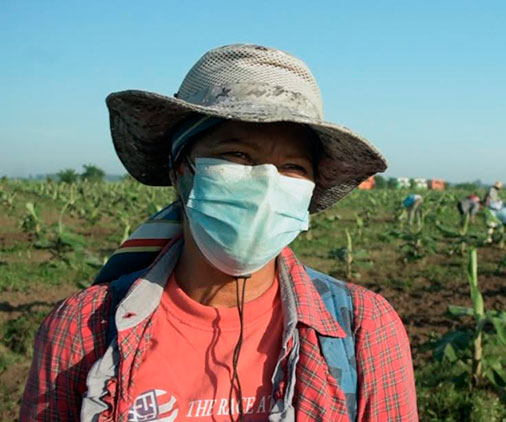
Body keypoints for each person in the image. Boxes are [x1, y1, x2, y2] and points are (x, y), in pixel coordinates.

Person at [21, 44, 417, 422]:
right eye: (238, 156)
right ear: (181, 171)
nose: (266, 184)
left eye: (293, 167)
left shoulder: (363, 329)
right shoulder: (81, 329)